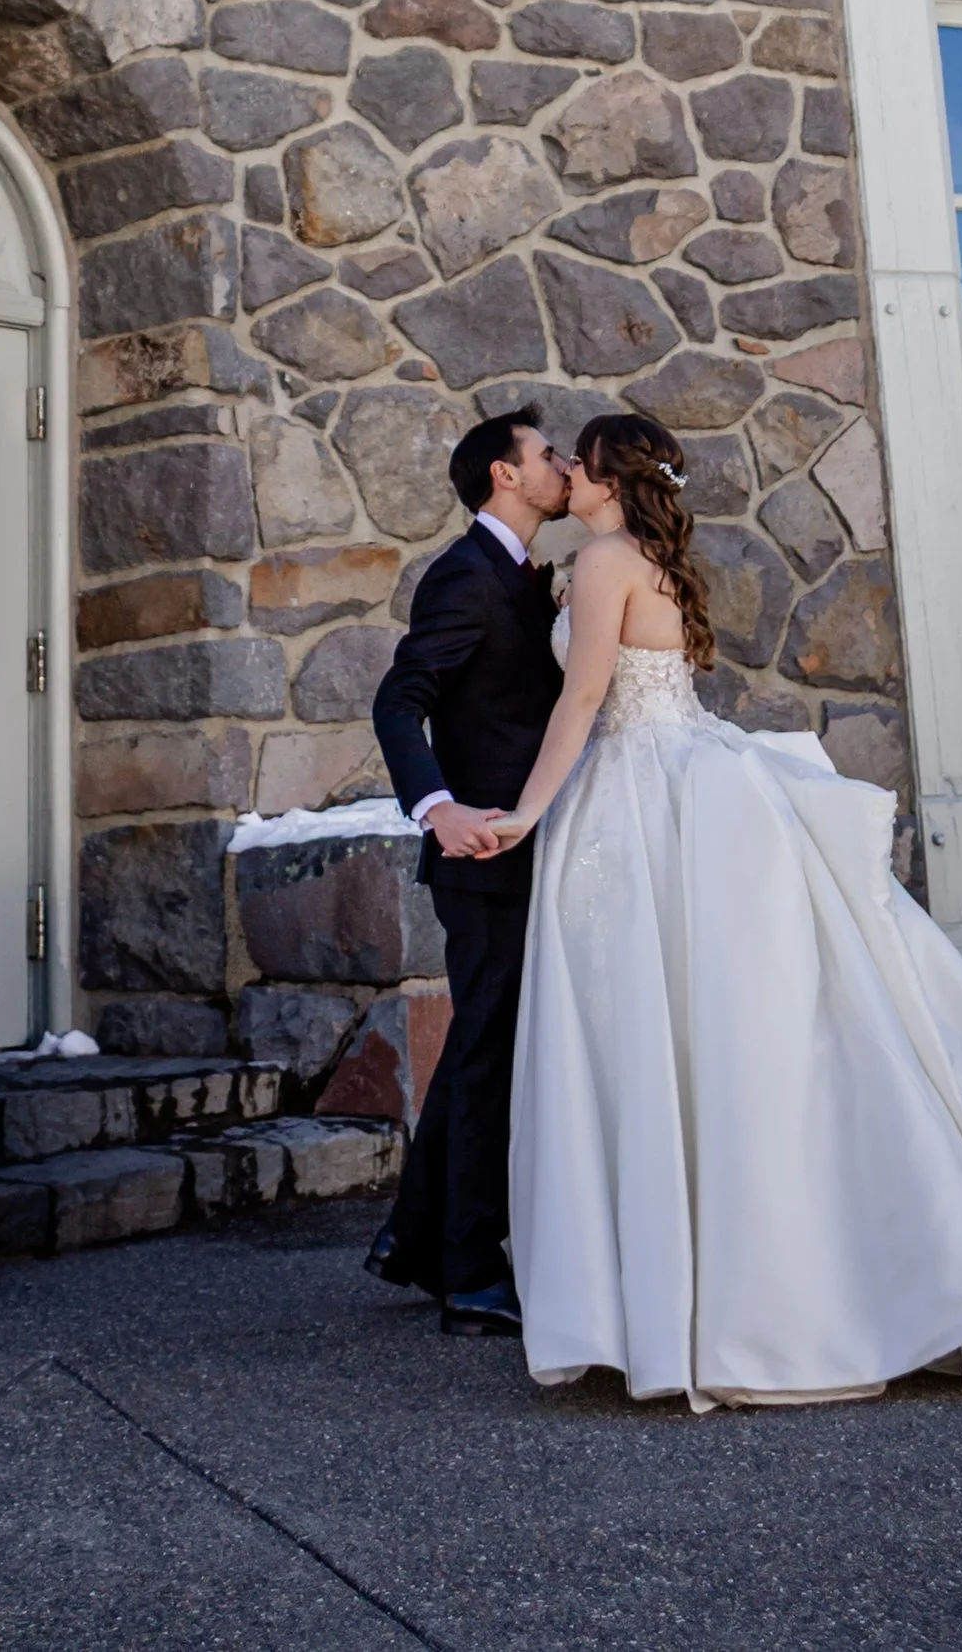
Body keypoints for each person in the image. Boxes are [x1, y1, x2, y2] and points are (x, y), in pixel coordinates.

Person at [493, 409, 962, 1411]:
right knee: (733, 1040)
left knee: (664, 1036)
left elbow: (584, 696)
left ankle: (698, 1305)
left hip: (642, 799)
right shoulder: (652, 557)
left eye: (574, 459)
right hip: (695, 782)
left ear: (602, 476)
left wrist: (524, 813)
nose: (564, 472)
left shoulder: (600, 562)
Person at [366, 410, 571, 1333]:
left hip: (537, 848)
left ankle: (414, 1236)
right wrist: (436, 806)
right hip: (482, 854)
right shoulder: (464, 576)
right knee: (488, 1051)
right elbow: (399, 700)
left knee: (485, 1044)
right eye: (547, 455)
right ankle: (470, 1272)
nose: (563, 465)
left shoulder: (529, 575)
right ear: (505, 474)